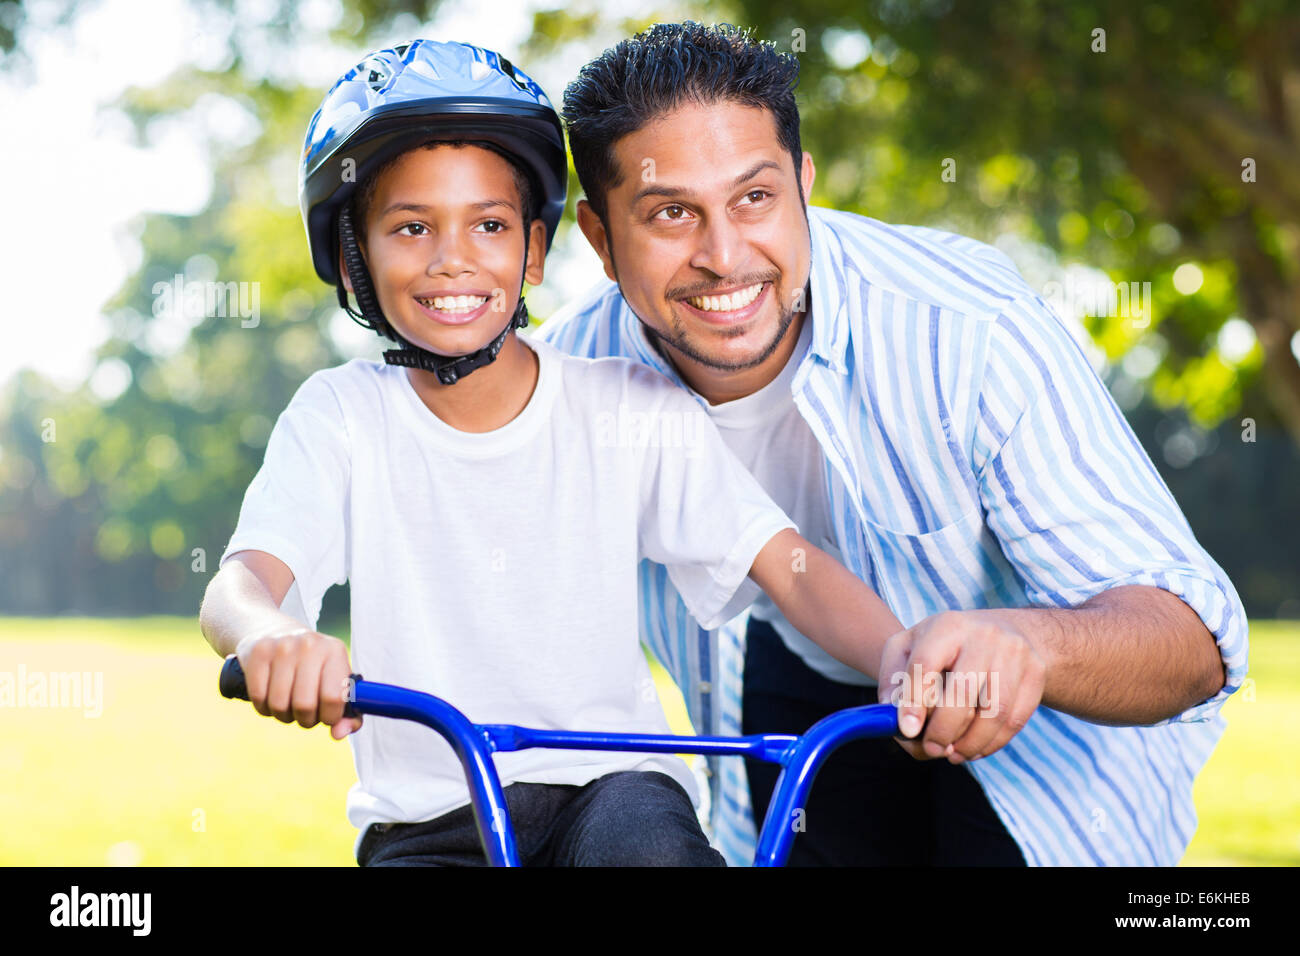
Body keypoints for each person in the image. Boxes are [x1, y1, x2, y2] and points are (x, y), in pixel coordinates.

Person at [536, 21, 1250, 866]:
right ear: (599, 239)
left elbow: (1193, 645)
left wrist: (1032, 646)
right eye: (669, 214)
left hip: (1037, 745)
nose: (724, 257)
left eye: (754, 198)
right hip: (781, 685)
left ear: (803, 183)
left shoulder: (968, 329)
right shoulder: (564, 384)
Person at [198, 38, 905, 867]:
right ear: (353, 265)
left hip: (617, 792)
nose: (452, 256)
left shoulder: (626, 409)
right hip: (430, 817)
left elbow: (785, 563)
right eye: (412, 227)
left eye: (490, 225)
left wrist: (901, 657)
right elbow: (241, 583)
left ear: (534, 252)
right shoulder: (340, 419)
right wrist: (271, 635)